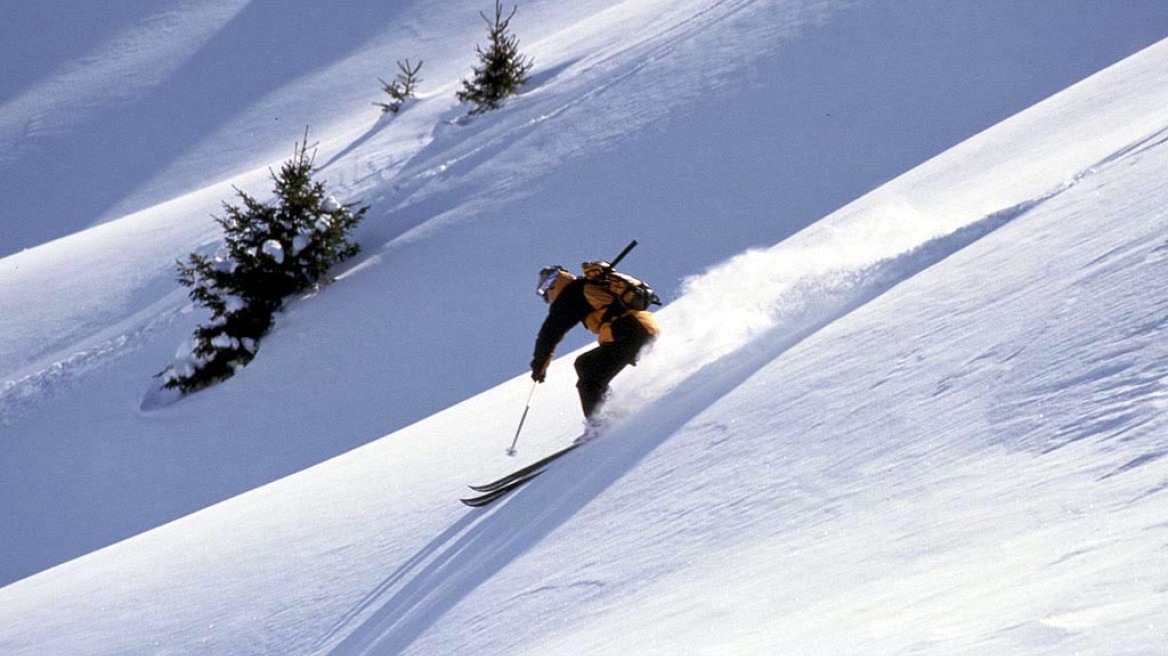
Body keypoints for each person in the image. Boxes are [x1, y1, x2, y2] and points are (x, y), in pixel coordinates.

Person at [530, 260, 659, 439]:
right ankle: (612, 413)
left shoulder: (570, 295)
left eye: (544, 294)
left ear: (552, 286)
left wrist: (539, 367)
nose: (547, 300)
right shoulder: (584, 286)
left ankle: (600, 426)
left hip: (628, 332)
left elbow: (549, 334)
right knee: (584, 363)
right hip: (638, 328)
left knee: (588, 383)